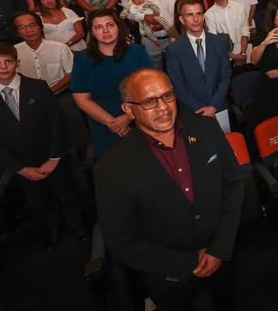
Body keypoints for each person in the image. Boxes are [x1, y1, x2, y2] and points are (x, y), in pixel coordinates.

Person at [93, 68, 244, 311]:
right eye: (150, 101)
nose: (163, 107)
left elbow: (234, 184)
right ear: (128, 110)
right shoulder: (110, 168)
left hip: (223, 255)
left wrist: (220, 248)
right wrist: (188, 261)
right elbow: (122, 239)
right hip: (168, 276)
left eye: (167, 96)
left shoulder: (207, 129)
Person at [0, 42, 86, 249]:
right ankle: (53, 227)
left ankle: (78, 224)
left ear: (17, 62)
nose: (3, 67)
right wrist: (20, 168)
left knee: (66, 193)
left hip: (52, 158)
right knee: (38, 201)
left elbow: (56, 124)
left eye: (8, 61)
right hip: (21, 164)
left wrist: (54, 158)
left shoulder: (38, 86)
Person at [70, 9, 153, 159]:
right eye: (98, 27)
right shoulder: (82, 59)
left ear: (118, 27)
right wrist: (113, 123)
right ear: (92, 32)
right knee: (113, 170)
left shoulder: (137, 52)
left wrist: (128, 117)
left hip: (140, 117)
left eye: (110, 25)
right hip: (103, 124)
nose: (105, 30)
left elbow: (150, 88)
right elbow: (81, 99)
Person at [166, 0, 231, 119]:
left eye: (199, 14)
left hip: (219, 107)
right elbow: (177, 86)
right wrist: (199, 109)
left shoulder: (219, 42)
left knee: (226, 138)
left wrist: (213, 106)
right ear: (182, 19)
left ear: (203, 16)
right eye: (190, 15)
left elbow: (225, 77)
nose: (196, 19)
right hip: (192, 112)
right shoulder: (174, 50)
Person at [204, 0, 249, 68]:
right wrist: (235, 57)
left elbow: (245, 32)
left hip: (243, 53)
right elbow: (214, 42)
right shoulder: (209, 15)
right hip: (224, 58)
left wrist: (242, 54)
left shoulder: (239, 7)